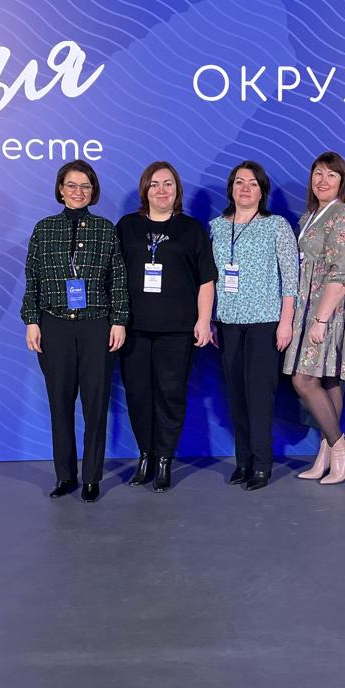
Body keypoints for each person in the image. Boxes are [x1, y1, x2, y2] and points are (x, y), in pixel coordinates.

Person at [21, 160, 128, 503]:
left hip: (97, 325)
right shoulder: (43, 229)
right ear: (60, 189)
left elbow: (118, 279)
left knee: (96, 405)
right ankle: (65, 475)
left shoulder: (105, 229)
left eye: (85, 186)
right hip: (54, 325)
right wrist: (32, 321)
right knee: (60, 403)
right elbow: (33, 277)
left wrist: (119, 321)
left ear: (93, 191)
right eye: (72, 185)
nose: (78, 192)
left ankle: (92, 478)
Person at [116, 161, 216, 493]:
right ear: (145, 189)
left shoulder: (191, 229)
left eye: (168, 184)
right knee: (138, 393)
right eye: (155, 184)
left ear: (177, 190)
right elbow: (113, 276)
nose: (162, 190)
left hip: (177, 329)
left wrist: (204, 320)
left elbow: (206, 279)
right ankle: (145, 454)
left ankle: (164, 460)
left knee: (171, 394)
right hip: (134, 328)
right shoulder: (127, 226)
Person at [210, 161, 299, 491]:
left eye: (252, 183)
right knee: (236, 396)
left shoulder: (276, 226)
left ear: (262, 191)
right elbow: (211, 278)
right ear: (230, 189)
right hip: (228, 322)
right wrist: (212, 319)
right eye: (239, 182)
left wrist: (286, 322)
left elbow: (291, 279)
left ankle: (262, 464)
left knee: (259, 396)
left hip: (265, 322)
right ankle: (243, 461)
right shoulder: (216, 227)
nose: (245, 188)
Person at [284, 151, 345, 484]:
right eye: (318, 173)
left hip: (329, 312)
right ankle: (327, 454)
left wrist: (320, 319)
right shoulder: (311, 215)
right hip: (309, 308)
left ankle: (340, 446)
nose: (323, 180)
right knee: (328, 380)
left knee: (303, 380)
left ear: (342, 181)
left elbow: (342, 273)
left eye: (331, 175)